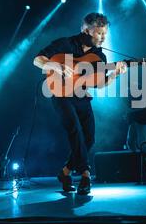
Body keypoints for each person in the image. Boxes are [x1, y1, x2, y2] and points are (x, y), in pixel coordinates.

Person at [33, 13, 127, 194]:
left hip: (82, 95)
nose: (103, 37)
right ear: (86, 30)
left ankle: (65, 172)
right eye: (99, 33)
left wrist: (114, 74)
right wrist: (57, 66)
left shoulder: (99, 56)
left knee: (89, 138)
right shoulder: (65, 44)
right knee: (75, 130)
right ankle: (86, 174)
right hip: (61, 93)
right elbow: (37, 60)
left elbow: (100, 84)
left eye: (105, 33)